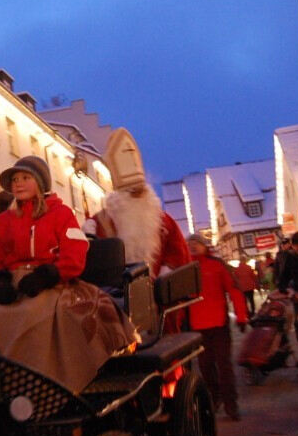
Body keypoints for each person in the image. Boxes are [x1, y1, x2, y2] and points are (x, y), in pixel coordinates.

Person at [0, 156, 137, 393]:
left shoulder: (61, 214)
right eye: (14, 179)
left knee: (40, 316)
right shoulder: (4, 221)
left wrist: (49, 275)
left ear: (40, 183)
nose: (18, 184)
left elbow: (75, 251)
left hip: (53, 282)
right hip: (12, 286)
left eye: (25, 178)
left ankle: (46, 388)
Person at [89, 128, 191, 279]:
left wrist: (165, 275)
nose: (138, 194)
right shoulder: (100, 223)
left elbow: (179, 257)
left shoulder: (165, 223)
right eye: (132, 192)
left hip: (160, 298)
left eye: (141, 190)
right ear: (120, 196)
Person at [186, 233, 248, 420]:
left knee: (224, 366)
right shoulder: (184, 268)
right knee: (205, 367)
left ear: (205, 246)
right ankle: (214, 398)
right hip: (196, 326)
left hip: (218, 324)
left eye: (197, 243)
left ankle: (231, 404)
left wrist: (241, 316)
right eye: (190, 244)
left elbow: (234, 290)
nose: (193, 246)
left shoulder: (217, 265)